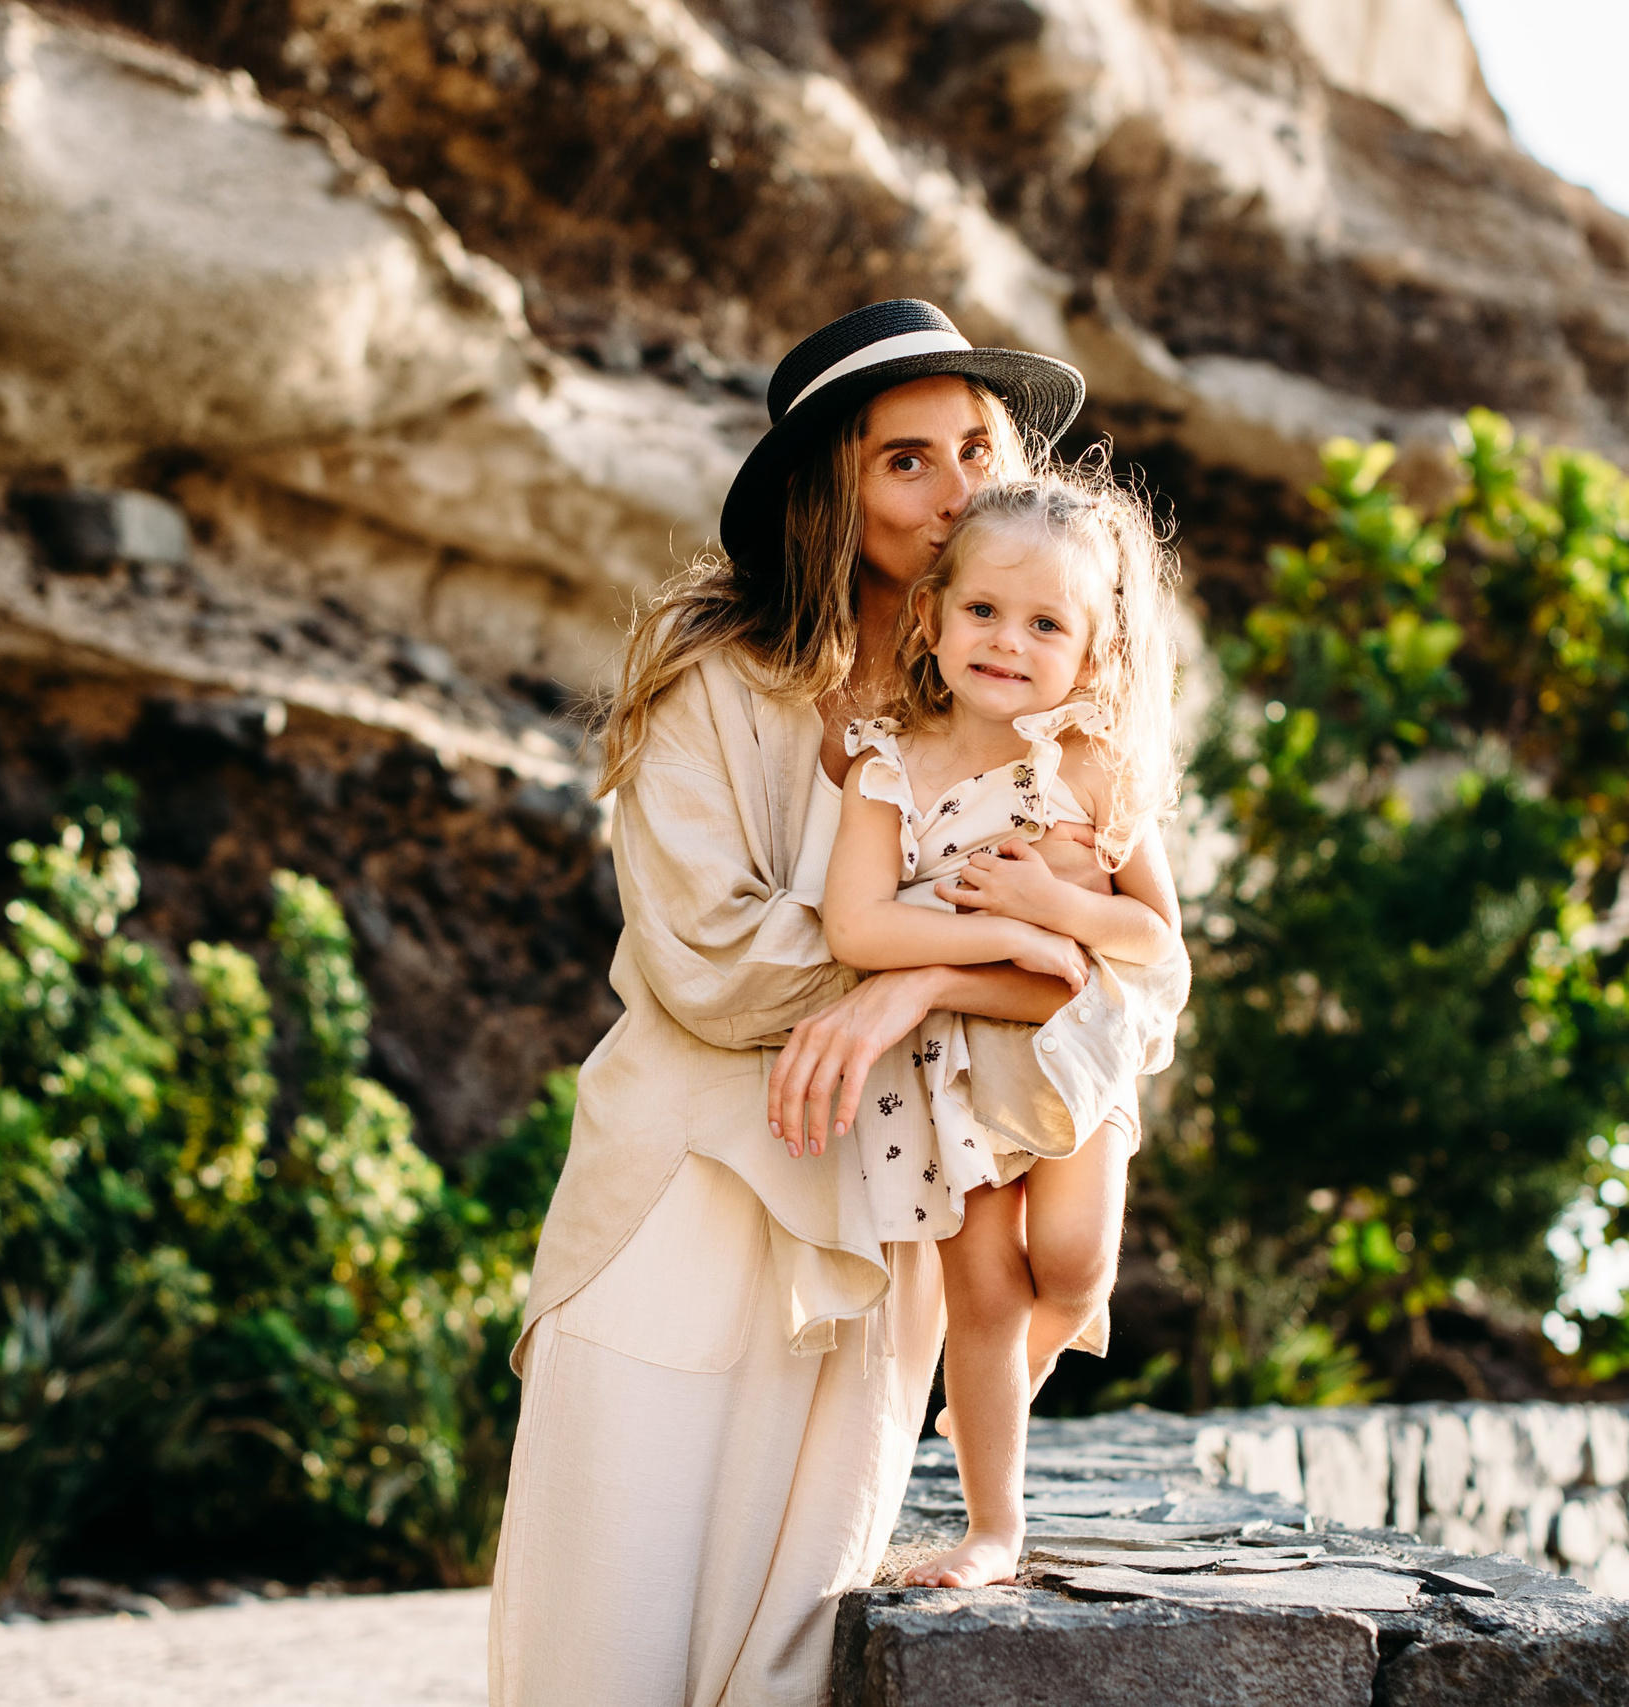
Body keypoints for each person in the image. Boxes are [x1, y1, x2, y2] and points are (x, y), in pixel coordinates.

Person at [487, 301, 1188, 1707]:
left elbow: (1137, 982)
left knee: (792, 1664)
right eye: (906, 460)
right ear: (833, 484)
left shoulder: (1040, 715)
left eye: (977, 451)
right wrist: (968, 969)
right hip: (687, 1197)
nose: (955, 493)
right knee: (605, 1649)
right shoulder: (713, 681)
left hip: (890, 1221)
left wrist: (912, 983)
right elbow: (715, 960)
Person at [816, 471, 1184, 1590]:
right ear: (929, 618)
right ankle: (992, 1525)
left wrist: (1059, 912)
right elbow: (855, 925)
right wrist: (1003, 947)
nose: (1007, 643)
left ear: (1090, 649)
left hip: (1073, 1054)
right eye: (982, 612)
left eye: (1044, 625)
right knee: (982, 1292)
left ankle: (1000, 1399)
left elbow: (1153, 940)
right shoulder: (889, 769)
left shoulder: (1091, 765)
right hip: (946, 1073)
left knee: (1073, 1268)